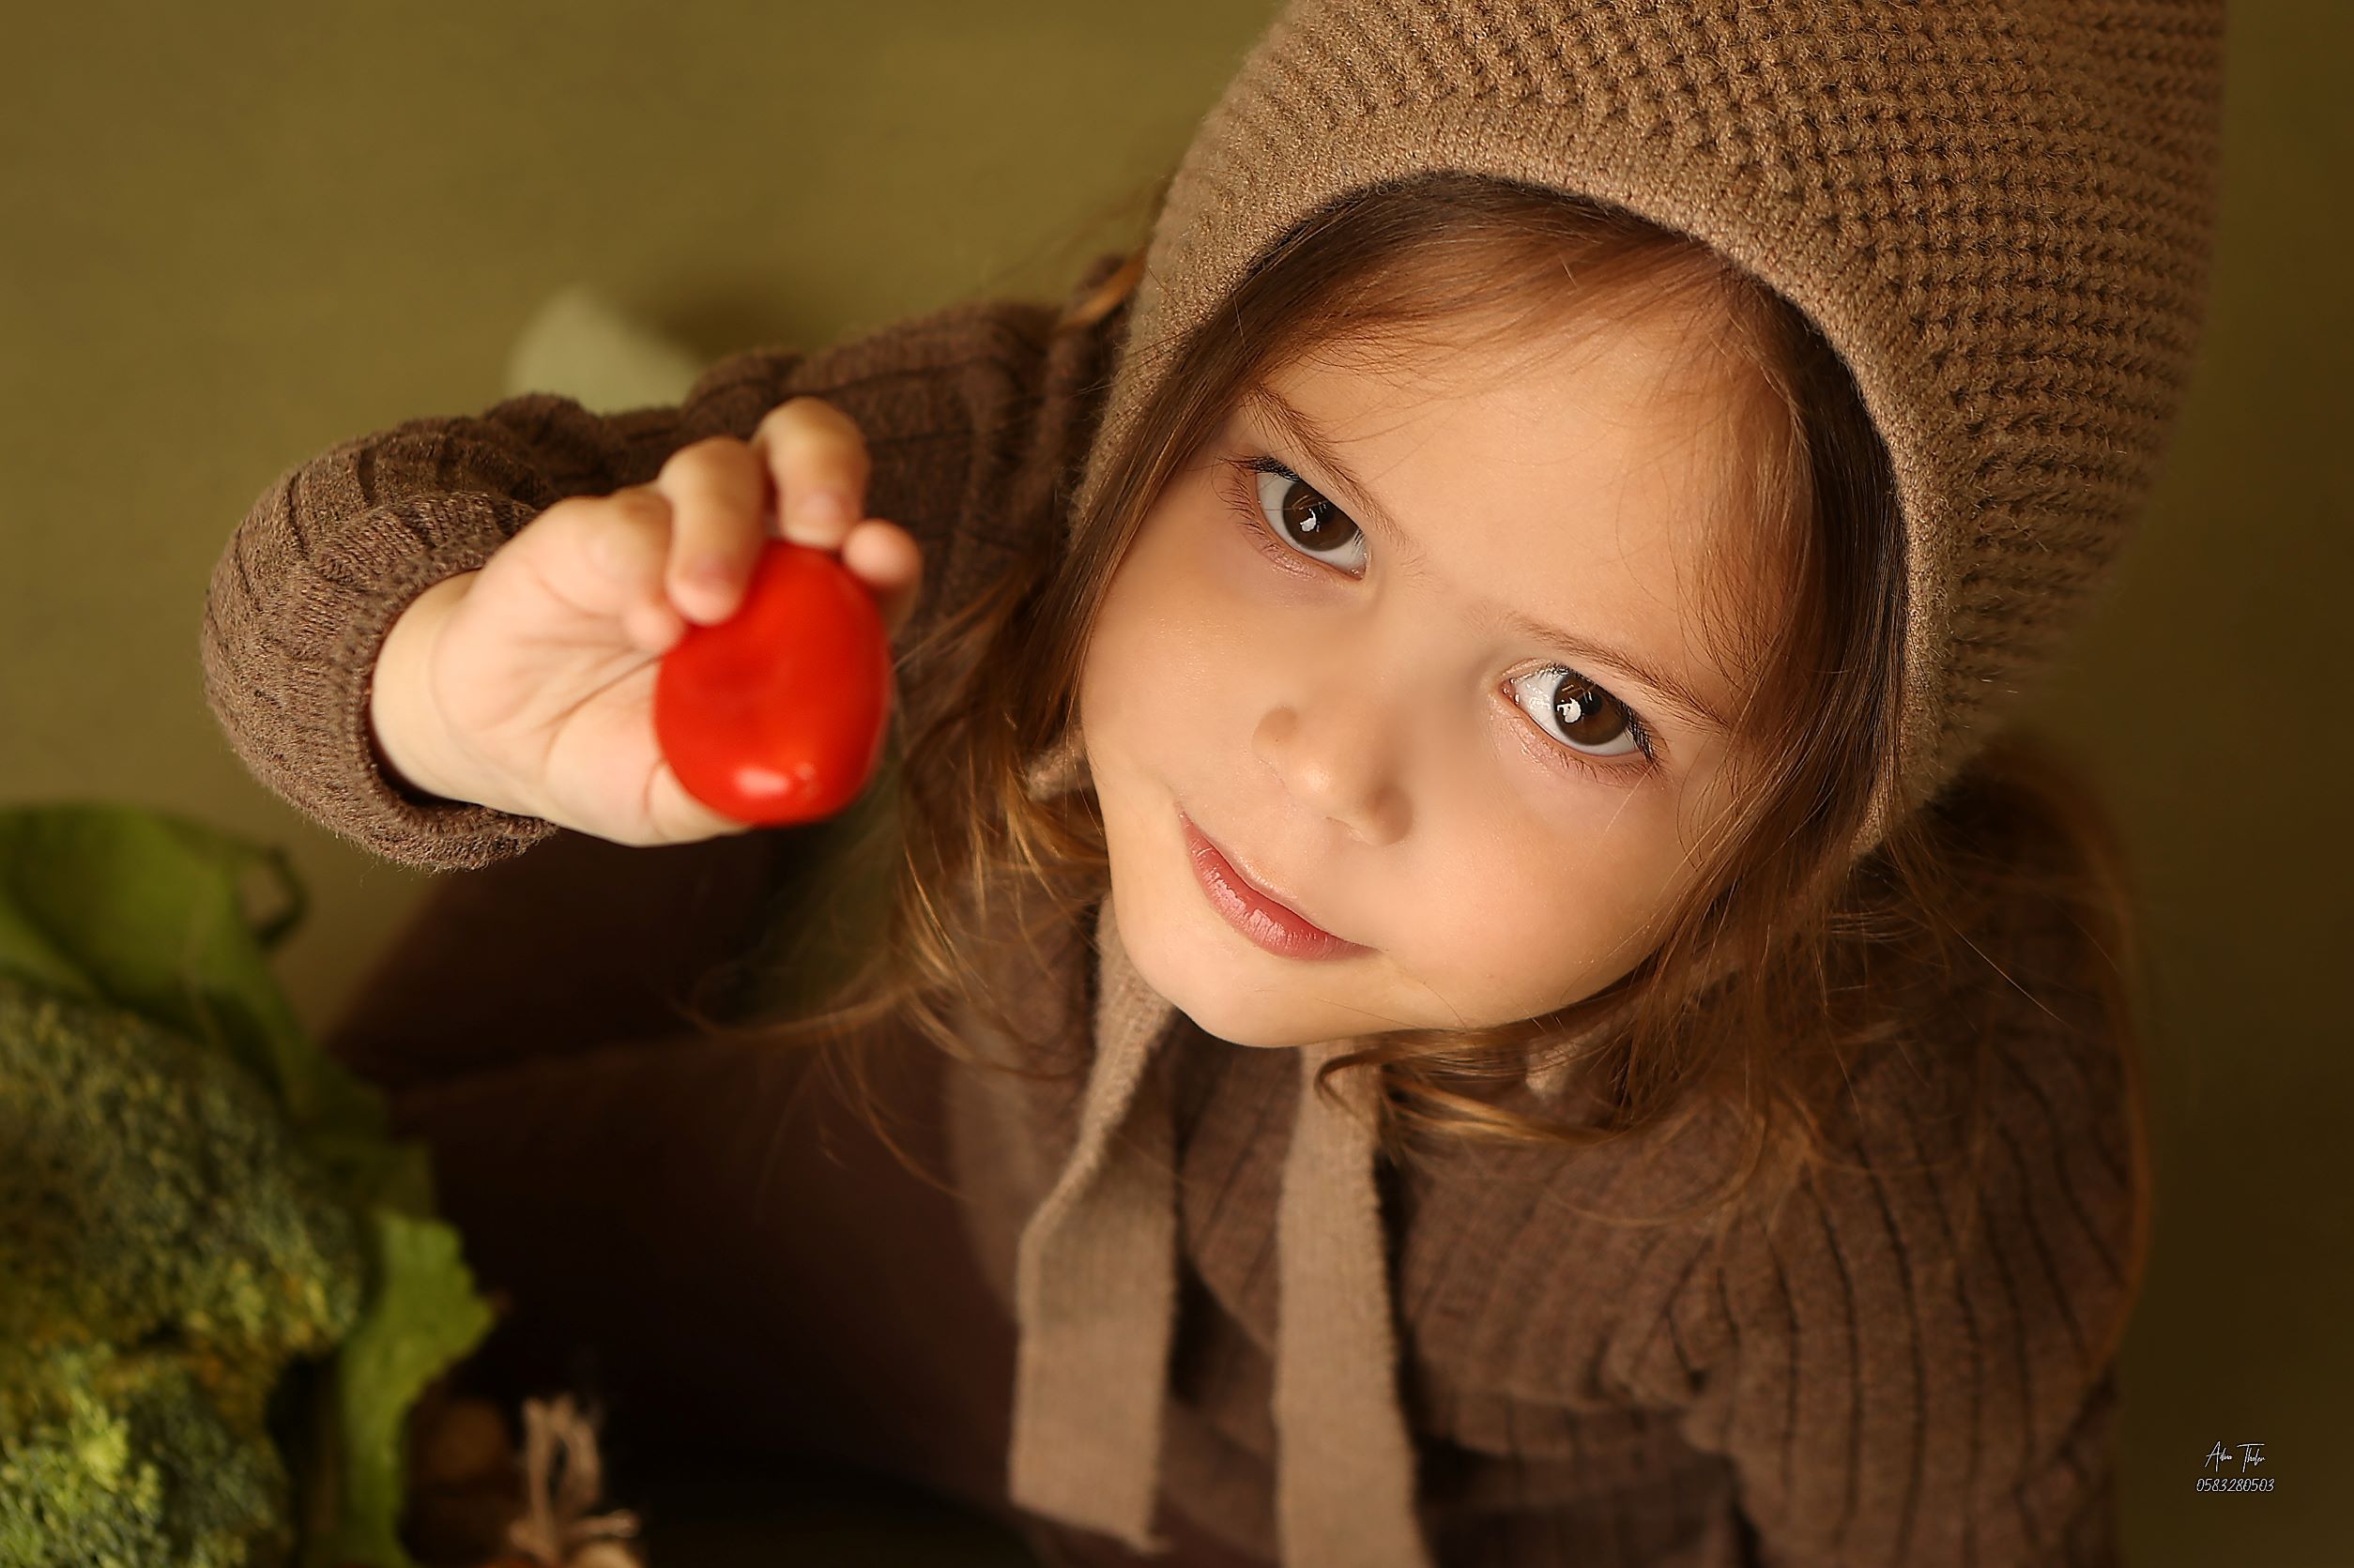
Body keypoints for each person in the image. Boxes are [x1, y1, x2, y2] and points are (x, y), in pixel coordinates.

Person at [199, 2, 2227, 1563]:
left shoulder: (1886, 1116)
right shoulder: (1053, 436)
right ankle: (634, 782)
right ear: (1174, 347)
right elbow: (328, 570)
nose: (1326, 766)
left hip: (1471, 1539)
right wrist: (445, 688)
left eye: (1582, 708)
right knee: (302, 1241)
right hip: (946, 1251)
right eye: (1309, 512)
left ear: (1823, 816)